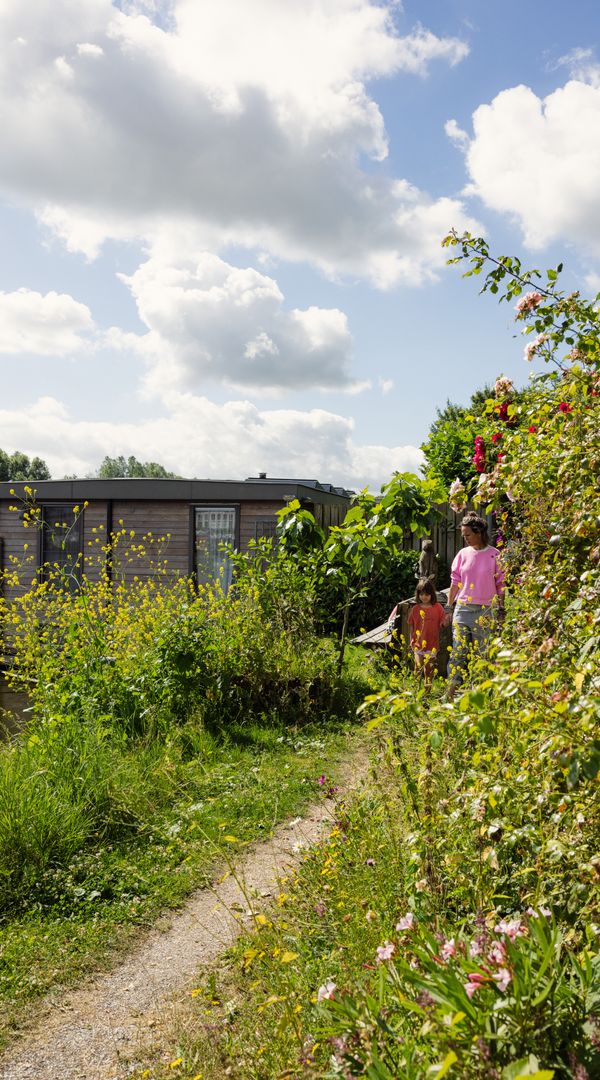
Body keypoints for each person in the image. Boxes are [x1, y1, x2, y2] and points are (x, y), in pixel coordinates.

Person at [445, 513, 505, 698]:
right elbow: (455, 581)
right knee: (458, 651)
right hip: (462, 609)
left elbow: (501, 585)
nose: (465, 538)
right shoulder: (462, 554)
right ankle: (450, 692)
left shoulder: (495, 555)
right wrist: (449, 607)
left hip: (485, 611)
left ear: (478, 533)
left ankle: (477, 693)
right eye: (464, 535)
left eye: (468, 534)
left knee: (482, 654)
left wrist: (501, 609)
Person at [408, 578, 446, 688]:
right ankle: (415, 692)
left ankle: (426, 695)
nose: (424, 597)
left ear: (432, 595)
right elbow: (411, 625)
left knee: (429, 671)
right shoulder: (415, 609)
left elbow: (443, 622)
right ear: (418, 594)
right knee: (418, 668)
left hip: (432, 644)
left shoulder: (438, 608)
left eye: (427, 594)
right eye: (421, 594)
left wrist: (447, 620)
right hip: (418, 644)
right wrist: (412, 639)